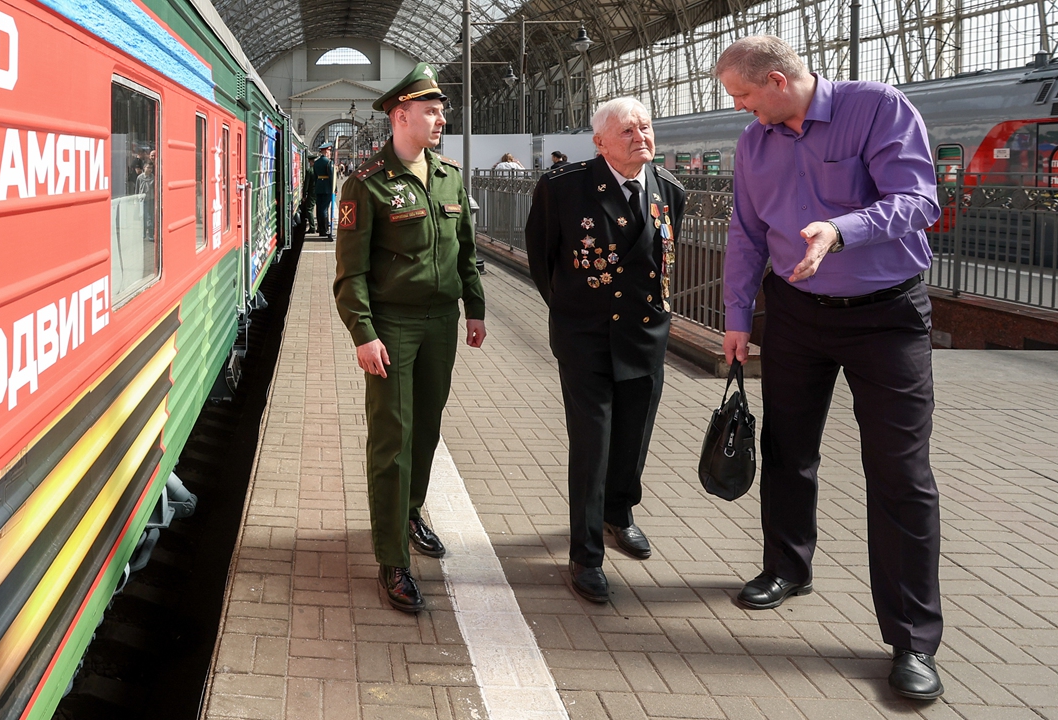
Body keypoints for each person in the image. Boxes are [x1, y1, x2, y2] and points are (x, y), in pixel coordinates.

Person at [715, 36, 944, 700]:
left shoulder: (877, 110)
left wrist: (840, 229)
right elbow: (745, 231)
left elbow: (919, 200)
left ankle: (912, 640)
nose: (741, 110)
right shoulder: (754, 144)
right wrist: (736, 315)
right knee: (788, 449)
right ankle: (787, 568)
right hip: (797, 315)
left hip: (887, 314)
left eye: (745, 96)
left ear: (779, 81)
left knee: (900, 471)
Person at [334, 62, 487, 613]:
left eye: (440, 109)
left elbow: (465, 252)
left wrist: (476, 309)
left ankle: (412, 509)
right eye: (432, 109)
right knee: (392, 438)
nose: (442, 117)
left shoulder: (448, 177)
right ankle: (391, 556)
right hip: (392, 327)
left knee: (427, 426)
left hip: (442, 324)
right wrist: (363, 332)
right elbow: (349, 274)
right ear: (402, 116)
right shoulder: (367, 183)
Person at [524, 97, 686, 603]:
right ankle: (585, 554)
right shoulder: (563, 187)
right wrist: (574, 312)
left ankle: (620, 514)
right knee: (592, 446)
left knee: (633, 440)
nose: (641, 136)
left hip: (644, 338)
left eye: (646, 127)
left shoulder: (669, 191)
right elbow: (541, 258)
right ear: (600, 142)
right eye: (628, 130)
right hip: (587, 338)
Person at [314, 143, 335, 238]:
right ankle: (325, 229)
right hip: (327, 188)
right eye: (329, 151)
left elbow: (315, 176)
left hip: (318, 187)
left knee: (319, 208)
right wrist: (334, 188)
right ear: (326, 151)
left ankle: (320, 228)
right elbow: (331, 177)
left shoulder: (316, 162)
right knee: (325, 208)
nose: (330, 152)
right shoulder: (328, 162)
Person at [303, 152, 318, 234]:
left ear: (311, 161)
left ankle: (312, 227)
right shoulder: (318, 170)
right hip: (318, 191)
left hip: (312, 192)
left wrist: (304, 194)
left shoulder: (310, 171)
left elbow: (306, 184)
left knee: (309, 209)